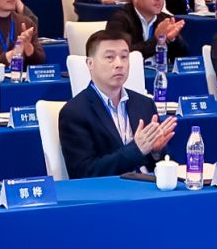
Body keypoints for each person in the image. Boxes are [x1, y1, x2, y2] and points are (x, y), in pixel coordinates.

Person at [58, 30, 181, 178]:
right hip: (108, 190)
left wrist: (156, 151)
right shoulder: (75, 112)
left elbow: (162, 163)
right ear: (90, 63)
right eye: (110, 57)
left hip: (148, 186)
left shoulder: (145, 104)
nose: (119, 64)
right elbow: (83, 173)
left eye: (124, 57)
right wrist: (136, 149)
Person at [104, 0, 189, 62]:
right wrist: (156, 40)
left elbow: (184, 59)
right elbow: (122, 55)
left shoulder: (165, 20)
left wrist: (173, 39)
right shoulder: (119, 20)